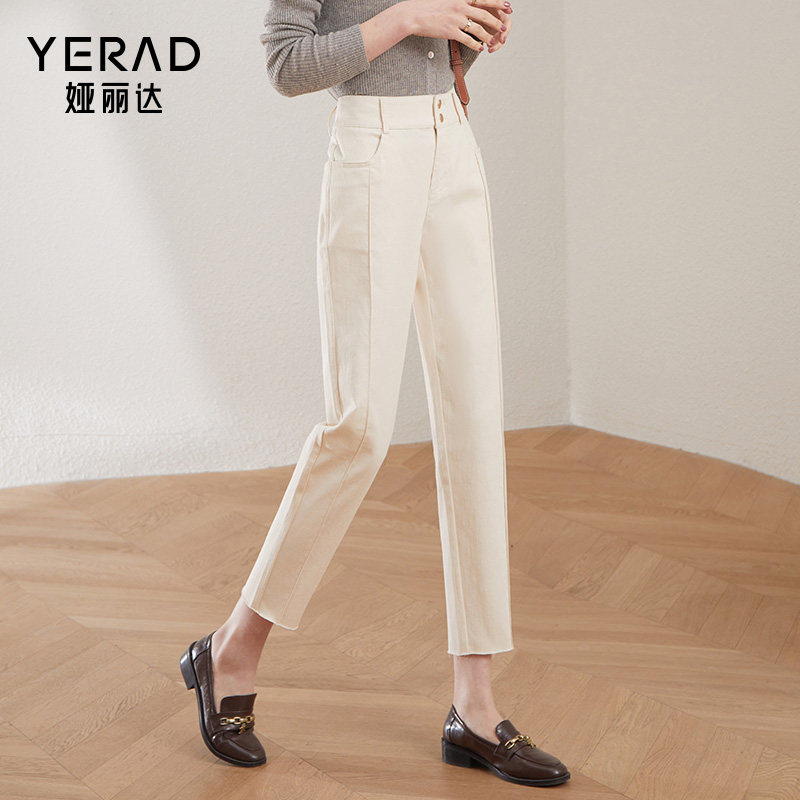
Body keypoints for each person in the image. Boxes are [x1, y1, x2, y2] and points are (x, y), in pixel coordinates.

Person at [180, 0, 570, 787]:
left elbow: (435, 52)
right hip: (372, 151)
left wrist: (471, 32)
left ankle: (476, 704)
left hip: (450, 141)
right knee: (359, 425)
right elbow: (287, 63)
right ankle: (232, 647)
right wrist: (408, 17)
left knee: (474, 415)